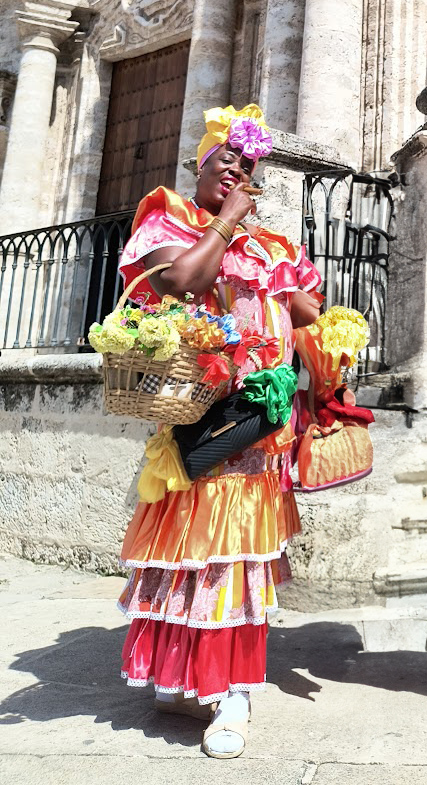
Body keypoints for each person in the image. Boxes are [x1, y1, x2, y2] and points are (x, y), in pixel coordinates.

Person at [114, 105, 324, 759]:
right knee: (186, 555)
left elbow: (310, 310)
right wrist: (228, 225)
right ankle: (183, 675)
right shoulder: (167, 216)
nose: (236, 165)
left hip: (257, 424)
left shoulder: (270, 245)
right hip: (198, 411)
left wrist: (287, 293)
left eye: (247, 160)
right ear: (198, 163)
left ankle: (231, 692)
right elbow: (182, 279)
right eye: (224, 156)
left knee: (234, 554)